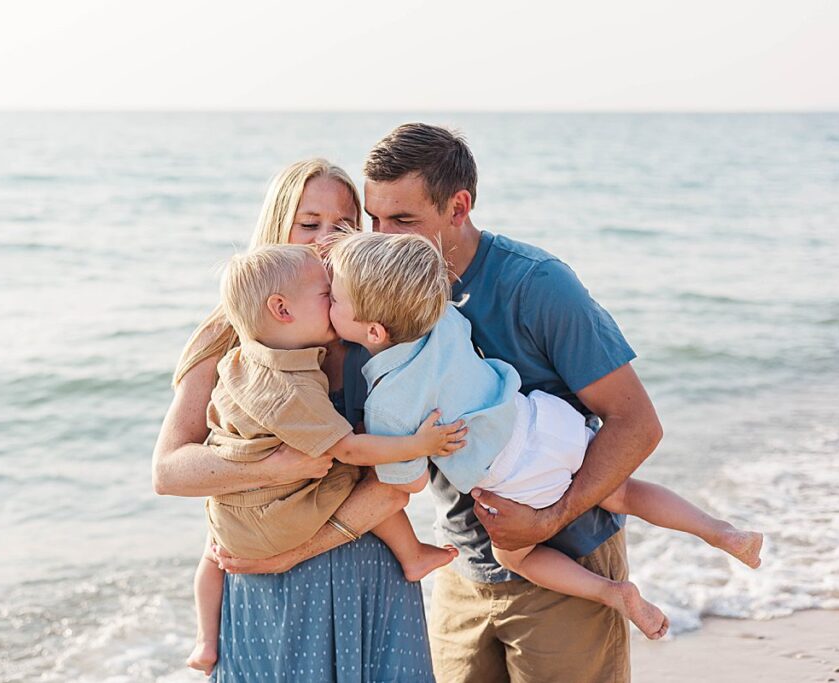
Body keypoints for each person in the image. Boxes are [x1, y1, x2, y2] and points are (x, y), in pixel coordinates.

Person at [211, 123, 661, 682]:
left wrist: (548, 518)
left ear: (458, 207)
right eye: (373, 220)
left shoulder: (537, 285)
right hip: (462, 567)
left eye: (402, 221)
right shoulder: (359, 306)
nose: (382, 237)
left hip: (566, 560)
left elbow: (637, 424)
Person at [324, 230, 763, 640]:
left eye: (335, 300)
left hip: (514, 475)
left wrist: (375, 450)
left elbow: (412, 481)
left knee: (516, 558)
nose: (328, 303)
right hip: (545, 421)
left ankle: (614, 593)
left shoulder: (386, 404)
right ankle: (722, 533)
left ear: (375, 333)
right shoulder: (441, 318)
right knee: (623, 492)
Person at [152, 158, 437, 682]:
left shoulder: (373, 333)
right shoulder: (227, 336)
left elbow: (398, 483)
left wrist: (298, 551)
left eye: (345, 225)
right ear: (277, 225)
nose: (326, 240)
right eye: (310, 223)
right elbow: (169, 472)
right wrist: (275, 467)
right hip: (263, 584)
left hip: (369, 575)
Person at [190, 244, 462, 673]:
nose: (335, 297)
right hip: (268, 524)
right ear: (282, 308)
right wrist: (420, 445)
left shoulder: (242, 357)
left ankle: (206, 641)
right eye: (327, 294)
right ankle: (411, 556)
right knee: (357, 472)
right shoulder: (289, 385)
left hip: (230, 523)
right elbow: (353, 452)